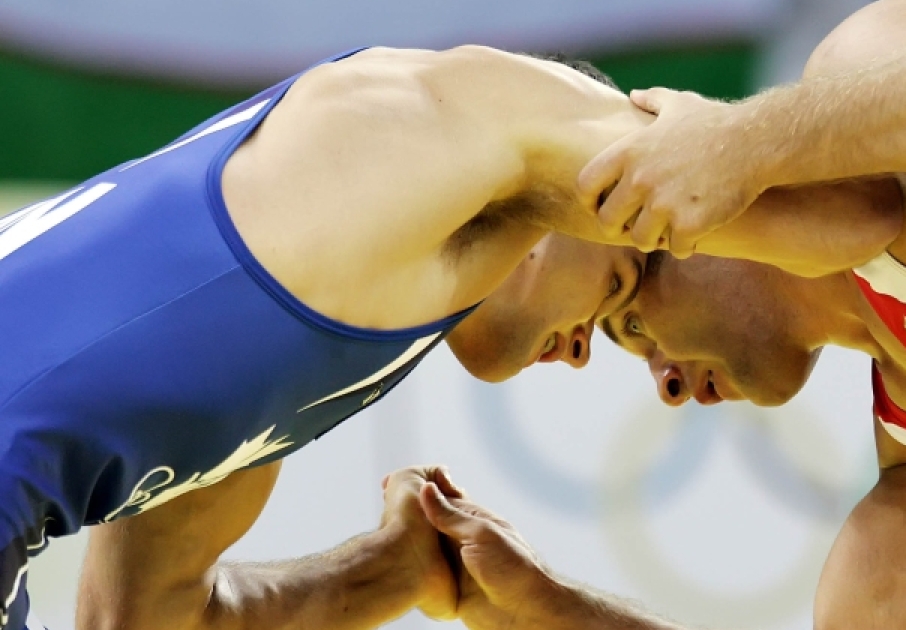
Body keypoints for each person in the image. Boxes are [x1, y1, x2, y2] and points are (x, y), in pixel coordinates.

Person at [392, 1, 906, 629]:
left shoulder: (862, 67)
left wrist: (738, 141)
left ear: (692, 215)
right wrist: (551, 609)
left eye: (630, 323)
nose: (666, 385)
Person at [0, 46, 656, 630]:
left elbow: (139, 619)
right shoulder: (412, 131)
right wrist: (714, 134)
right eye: (616, 293)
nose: (582, 352)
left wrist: (388, 571)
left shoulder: (282, 351)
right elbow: (683, 165)